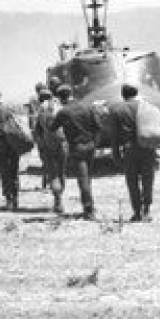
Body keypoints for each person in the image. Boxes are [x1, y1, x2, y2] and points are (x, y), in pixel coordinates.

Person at [106, 83, 156, 222]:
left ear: (123, 95)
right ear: (136, 93)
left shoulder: (117, 110)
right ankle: (147, 209)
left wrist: (115, 153)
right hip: (147, 147)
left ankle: (137, 212)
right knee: (148, 180)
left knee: (132, 182)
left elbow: (114, 136)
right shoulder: (146, 106)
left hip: (130, 150)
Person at [51, 84, 100, 219]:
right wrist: (94, 143)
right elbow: (98, 127)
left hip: (76, 147)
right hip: (90, 146)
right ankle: (89, 205)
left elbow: (52, 128)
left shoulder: (63, 112)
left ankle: (88, 209)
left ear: (60, 98)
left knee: (83, 180)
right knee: (87, 178)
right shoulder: (88, 107)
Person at [31, 87, 67, 214]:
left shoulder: (40, 109)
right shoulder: (60, 106)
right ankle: (60, 197)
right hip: (62, 143)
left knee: (53, 174)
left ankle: (58, 201)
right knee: (61, 172)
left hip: (47, 144)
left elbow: (36, 130)